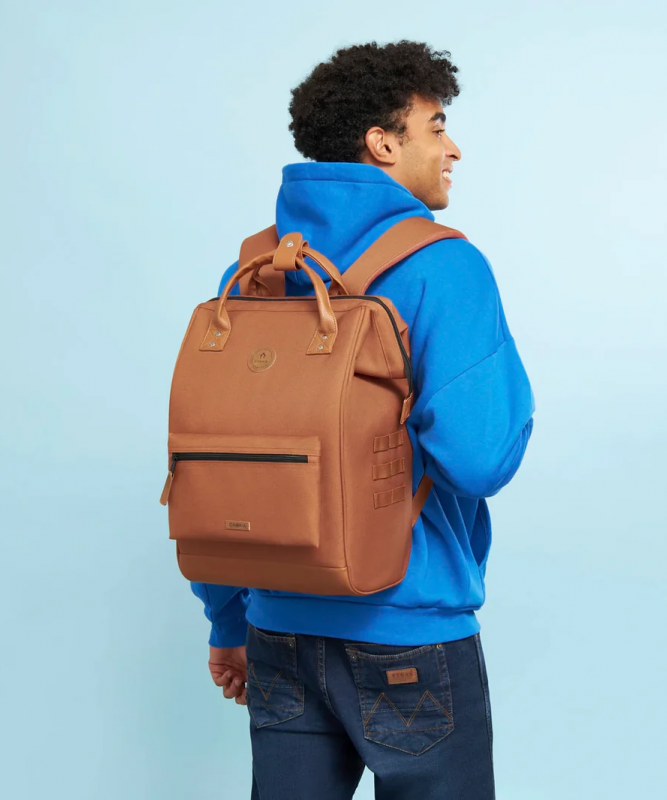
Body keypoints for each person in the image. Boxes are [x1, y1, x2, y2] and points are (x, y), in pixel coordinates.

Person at [190, 40, 535, 800]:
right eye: (436, 127)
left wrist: (227, 619)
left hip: (276, 629)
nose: (453, 148)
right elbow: (480, 457)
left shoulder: (254, 274)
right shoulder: (444, 266)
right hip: (409, 631)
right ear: (383, 143)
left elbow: (222, 461)